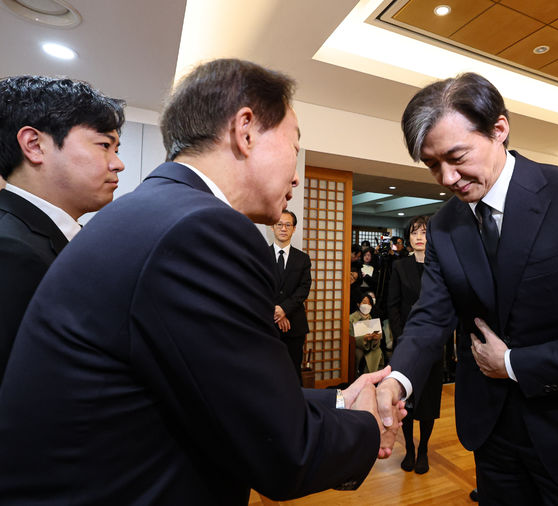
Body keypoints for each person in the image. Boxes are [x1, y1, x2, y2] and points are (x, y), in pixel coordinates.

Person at [0, 59, 403, 505]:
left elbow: (215, 388)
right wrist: (366, 422)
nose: (295, 174)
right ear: (245, 130)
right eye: (294, 145)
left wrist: (339, 402)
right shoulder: (203, 229)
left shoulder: (154, 209)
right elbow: (286, 454)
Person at [376, 72, 558, 505]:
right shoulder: (446, 225)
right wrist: (396, 381)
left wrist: (512, 363)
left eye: (456, 156)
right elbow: (430, 316)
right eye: (433, 165)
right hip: (494, 434)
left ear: (499, 130)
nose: (448, 178)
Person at [0, 75, 125, 382]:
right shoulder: (10, 249)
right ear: (35, 145)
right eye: (105, 145)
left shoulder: (47, 237)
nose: (118, 163)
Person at [387, 216, 443, 475]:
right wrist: (401, 338)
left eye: (424, 232)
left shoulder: (440, 266)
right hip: (407, 344)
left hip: (433, 345)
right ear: (408, 237)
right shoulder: (399, 266)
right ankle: (409, 448)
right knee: (405, 402)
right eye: (414, 232)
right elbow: (392, 306)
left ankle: (423, 451)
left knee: (429, 402)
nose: (419, 237)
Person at [270, 209, 312, 381]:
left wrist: (284, 309)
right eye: (279, 224)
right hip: (268, 324)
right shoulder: (260, 256)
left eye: (288, 225)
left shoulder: (302, 258)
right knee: (269, 370)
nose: (283, 228)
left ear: (294, 229)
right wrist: (277, 313)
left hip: (294, 325)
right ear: (272, 227)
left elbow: (304, 289)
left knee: (293, 372)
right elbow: (257, 287)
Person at [351, 293, 384, 374]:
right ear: (358, 304)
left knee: (378, 351)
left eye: (369, 303)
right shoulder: (351, 319)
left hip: (371, 347)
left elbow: (377, 341)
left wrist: (376, 339)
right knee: (359, 354)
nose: (367, 305)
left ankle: (375, 377)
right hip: (357, 348)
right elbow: (349, 338)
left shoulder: (372, 319)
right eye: (364, 302)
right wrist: (364, 338)